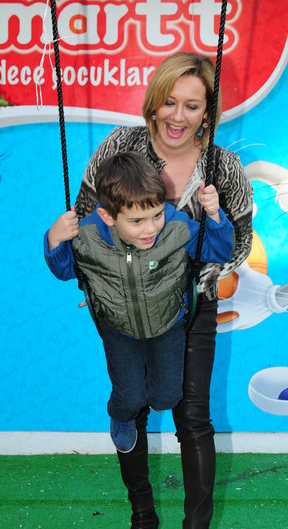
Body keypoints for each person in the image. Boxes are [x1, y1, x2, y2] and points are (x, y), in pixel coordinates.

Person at [74, 52, 254, 529]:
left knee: (192, 415)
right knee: (130, 404)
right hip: (125, 308)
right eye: (170, 102)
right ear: (154, 102)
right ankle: (143, 518)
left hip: (191, 308)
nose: (178, 116)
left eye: (192, 106)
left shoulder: (223, 167)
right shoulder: (119, 148)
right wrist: (96, 276)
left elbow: (241, 239)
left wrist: (193, 272)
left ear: (207, 112)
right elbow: (86, 217)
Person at [44, 151, 234, 457]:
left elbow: (220, 250)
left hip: (168, 323)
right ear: (108, 216)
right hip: (118, 330)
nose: (150, 229)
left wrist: (214, 216)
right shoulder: (89, 236)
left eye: (156, 214)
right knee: (130, 398)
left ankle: (151, 394)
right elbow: (65, 269)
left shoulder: (176, 226)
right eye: (136, 221)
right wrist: (55, 238)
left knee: (167, 397)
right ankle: (120, 416)